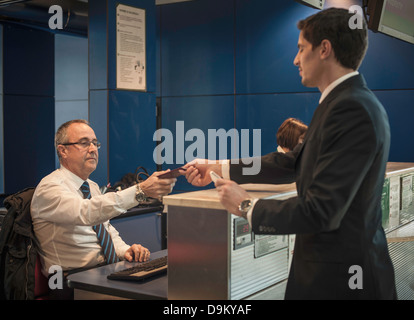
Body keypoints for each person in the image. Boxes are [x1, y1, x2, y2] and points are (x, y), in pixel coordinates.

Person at [184, 8, 397, 300]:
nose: (295, 60)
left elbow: (322, 211)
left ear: (324, 49)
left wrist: (247, 206)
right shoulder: (343, 103)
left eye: (300, 49)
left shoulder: (350, 110)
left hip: (342, 283)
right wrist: (217, 168)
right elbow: (290, 163)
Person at [31, 119, 176, 297]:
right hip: (68, 280)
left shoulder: (90, 186)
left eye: (95, 143)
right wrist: (140, 190)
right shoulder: (50, 187)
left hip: (102, 271)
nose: (93, 149)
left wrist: (125, 250)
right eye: (84, 143)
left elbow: (106, 230)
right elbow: (86, 213)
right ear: (63, 150)